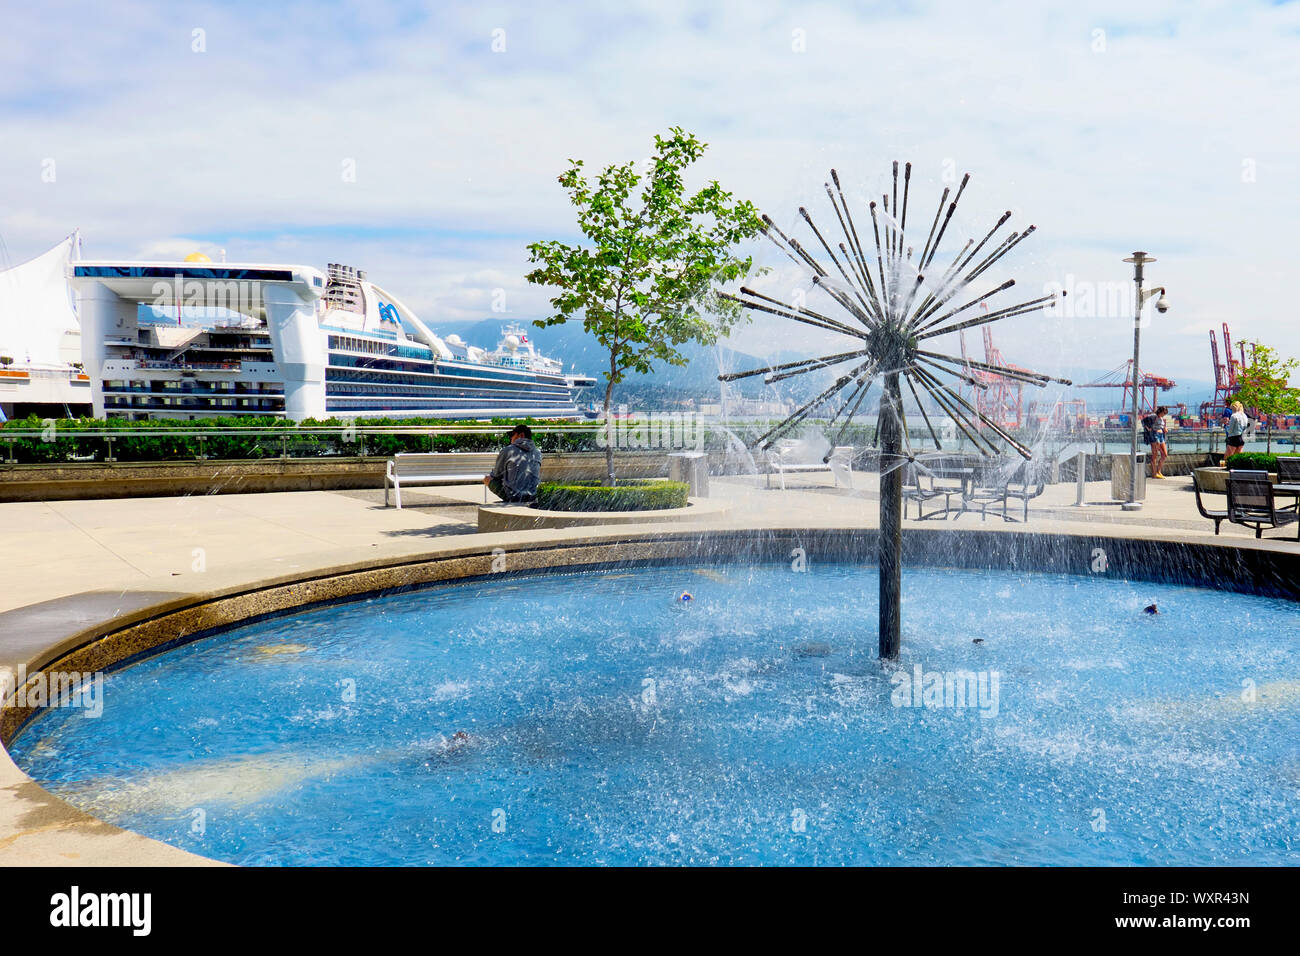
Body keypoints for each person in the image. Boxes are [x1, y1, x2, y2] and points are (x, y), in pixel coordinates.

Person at [483, 423, 542, 502]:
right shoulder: (537, 452)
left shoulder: (508, 450)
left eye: (512, 435)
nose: (510, 439)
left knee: (487, 479)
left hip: (514, 496)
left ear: (521, 435)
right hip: (533, 495)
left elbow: (496, 475)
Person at [1141, 405, 1169, 479]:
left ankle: (1158, 471)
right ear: (1160, 411)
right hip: (1154, 435)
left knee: (1164, 454)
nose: (1164, 414)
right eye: (1163, 413)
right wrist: (1149, 429)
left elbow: (1161, 426)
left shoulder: (1161, 418)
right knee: (1155, 455)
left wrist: (1164, 428)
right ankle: (1154, 474)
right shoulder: (1153, 416)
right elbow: (1143, 421)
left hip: (1161, 436)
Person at [1224, 401, 1250, 467]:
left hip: (1233, 437)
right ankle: (1237, 468)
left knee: (1227, 456)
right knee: (1238, 456)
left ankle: (1226, 467)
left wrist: (1227, 426)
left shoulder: (1234, 416)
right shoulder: (1245, 416)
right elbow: (1246, 427)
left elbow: (1230, 430)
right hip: (1242, 437)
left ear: (1234, 408)